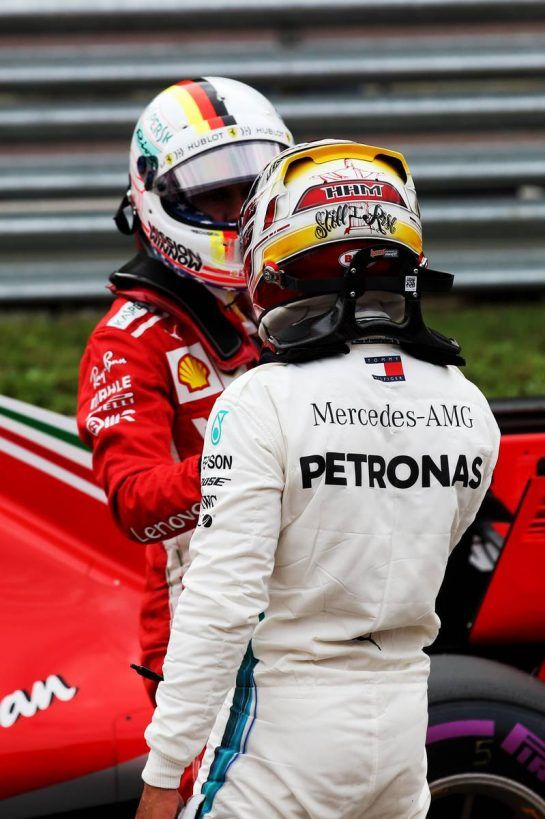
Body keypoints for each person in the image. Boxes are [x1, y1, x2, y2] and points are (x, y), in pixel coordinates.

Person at [136, 139, 500, 819]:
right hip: (399, 737)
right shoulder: (467, 403)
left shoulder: (259, 399)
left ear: (273, 249)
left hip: (280, 739)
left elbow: (221, 602)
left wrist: (162, 770)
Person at [77, 78, 293, 797]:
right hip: (202, 638)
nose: (237, 214)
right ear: (155, 201)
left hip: (308, 616)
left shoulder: (283, 308)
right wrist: (252, 455)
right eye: (213, 198)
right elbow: (138, 506)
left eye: (249, 190)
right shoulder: (126, 343)